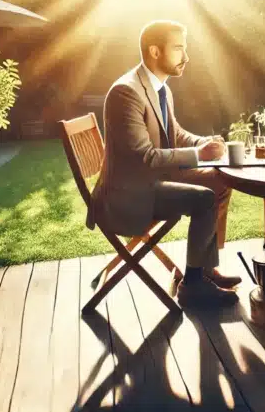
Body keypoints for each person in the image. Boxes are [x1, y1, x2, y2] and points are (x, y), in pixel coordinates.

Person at [90, 20, 241, 308]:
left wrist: (201, 143)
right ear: (155, 52)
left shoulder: (160, 88)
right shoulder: (126, 93)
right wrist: (200, 156)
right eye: (179, 49)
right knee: (204, 198)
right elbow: (144, 156)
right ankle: (193, 286)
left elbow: (175, 134)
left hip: (151, 181)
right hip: (129, 195)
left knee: (220, 180)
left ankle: (205, 270)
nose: (186, 57)